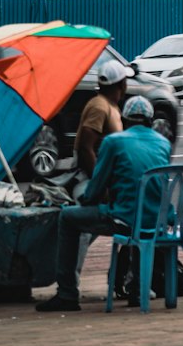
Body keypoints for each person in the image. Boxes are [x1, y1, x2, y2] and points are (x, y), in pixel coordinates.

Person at [36, 94, 172, 313]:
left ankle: (67, 293)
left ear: (125, 121)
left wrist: (86, 200)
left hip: (125, 218)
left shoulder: (114, 141)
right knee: (139, 221)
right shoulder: (163, 143)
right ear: (149, 121)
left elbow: (97, 185)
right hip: (156, 219)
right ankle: (138, 290)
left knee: (68, 218)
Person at [74, 57, 131, 178]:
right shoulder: (99, 107)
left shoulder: (110, 106)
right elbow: (85, 146)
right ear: (121, 84)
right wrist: (97, 182)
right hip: (96, 178)